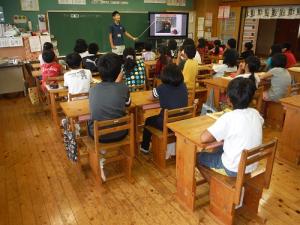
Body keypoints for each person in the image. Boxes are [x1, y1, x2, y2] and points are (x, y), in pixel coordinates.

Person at [197, 77, 263, 176]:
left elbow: (204, 138)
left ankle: (216, 183)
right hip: (252, 164)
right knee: (220, 147)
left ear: (228, 99)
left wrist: (217, 141)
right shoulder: (256, 113)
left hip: (233, 169)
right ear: (251, 98)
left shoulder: (229, 117)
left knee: (198, 156)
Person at [88, 53, 131, 181]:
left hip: (99, 134)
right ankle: (102, 154)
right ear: (118, 71)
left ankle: (100, 155)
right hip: (120, 132)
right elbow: (128, 104)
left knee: (91, 120)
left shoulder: (93, 90)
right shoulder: (123, 87)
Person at [140, 64, 188, 154]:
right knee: (159, 116)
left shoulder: (162, 87)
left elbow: (150, 97)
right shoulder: (183, 85)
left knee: (148, 121)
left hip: (168, 124)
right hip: (182, 122)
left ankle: (144, 147)